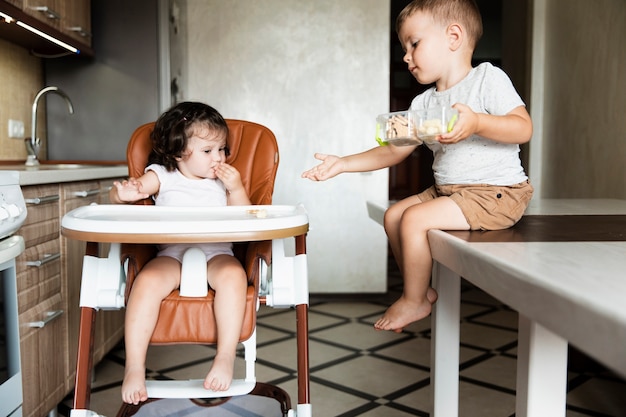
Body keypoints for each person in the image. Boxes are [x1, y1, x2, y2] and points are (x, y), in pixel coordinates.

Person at [302, 0, 533, 333]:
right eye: (404, 48)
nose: (406, 56)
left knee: (413, 219)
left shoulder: (487, 79)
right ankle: (419, 288)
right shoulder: (423, 103)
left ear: (453, 37)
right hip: (450, 191)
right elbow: (393, 152)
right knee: (393, 216)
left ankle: (413, 300)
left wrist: (477, 122)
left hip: (495, 193)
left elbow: (522, 128)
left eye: (414, 43)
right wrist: (342, 164)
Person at [110, 102, 250, 405]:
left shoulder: (223, 181)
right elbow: (136, 189)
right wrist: (122, 194)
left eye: (222, 149)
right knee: (146, 283)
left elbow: (244, 219)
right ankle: (134, 367)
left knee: (234, 276)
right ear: (177, 152)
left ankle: (225, 357)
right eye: (208, 151)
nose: (219, 158)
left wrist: (237, 188)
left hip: (217, 253)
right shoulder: (162, 174)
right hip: (171, 255)